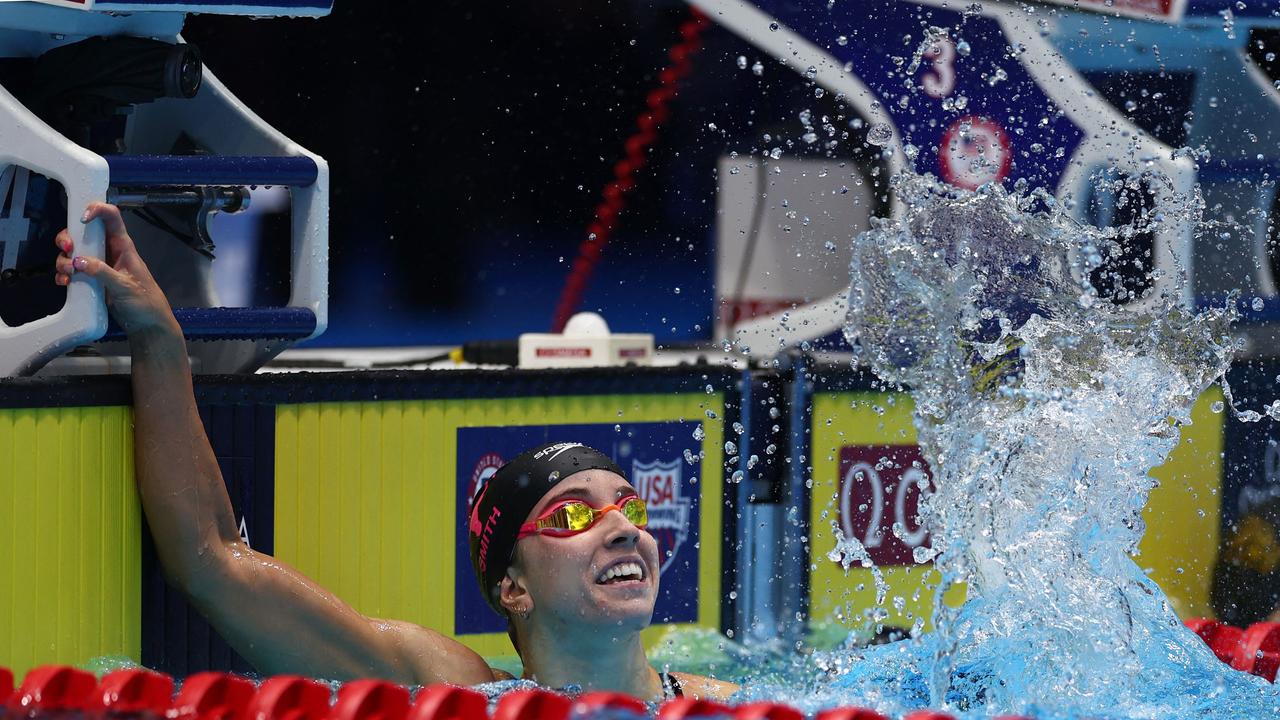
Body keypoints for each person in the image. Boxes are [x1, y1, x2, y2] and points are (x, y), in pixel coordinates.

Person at [53, 203, 739, 701]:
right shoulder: (451, 695)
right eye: (570, 517)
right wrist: (160, 341)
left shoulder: (722, 702)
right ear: (513, 588)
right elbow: (212, 561)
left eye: (629, 509)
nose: (624, 528)